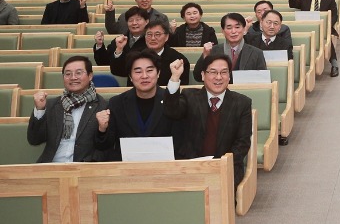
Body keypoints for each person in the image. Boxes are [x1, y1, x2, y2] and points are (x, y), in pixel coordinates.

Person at [163, 57, 252, 186]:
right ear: (203, 75)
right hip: (190, 166)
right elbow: (171, 111)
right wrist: (175, 77)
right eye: (213, 72)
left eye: (224, 72)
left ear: (229, 76)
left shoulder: (242, 103)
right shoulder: (189, 96)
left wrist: (221, 164)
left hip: (225, 168)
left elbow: (242, 143)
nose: (218, 77)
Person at [94, 50, 180, 161]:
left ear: (158, 73)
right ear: (130, 76)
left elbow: (180, 142)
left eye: (149, 70)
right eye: (138, 71)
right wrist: (102, 129)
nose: (144, 76)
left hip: (165, 168)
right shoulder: (116, 103)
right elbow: (103, 145)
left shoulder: (173, 102)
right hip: (126, 170)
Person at [27, 56, 109, 163]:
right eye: (68, 74)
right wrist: (40, 110)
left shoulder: (103, 106)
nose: (73, 77)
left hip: (84, 168)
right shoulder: (52, 105)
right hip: (51, 167)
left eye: (79, 73)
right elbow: (34, 140)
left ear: (90, 76)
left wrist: (90, 164)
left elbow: (107, 145)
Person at [193, 13, 268, 82]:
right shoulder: (213, 51)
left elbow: (262, 80)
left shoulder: (257, 53)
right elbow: (198, 77)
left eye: (237, 27)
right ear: (223, 31)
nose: (233, 31)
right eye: (229, 28)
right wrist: (205, 55)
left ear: (244, 29)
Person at [297, 0, 340, 77]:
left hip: (324, 27)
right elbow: (292, 4)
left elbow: (334, 16)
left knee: (326, 37)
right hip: (306, 26)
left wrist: (326, 26)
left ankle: (334, 64)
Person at [104, 0, 170, 35]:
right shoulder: (124, 16)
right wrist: (110, 12)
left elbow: (166, 37)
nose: (144, 0)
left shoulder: (161, 18)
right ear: (136, 0)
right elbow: (112, 31)